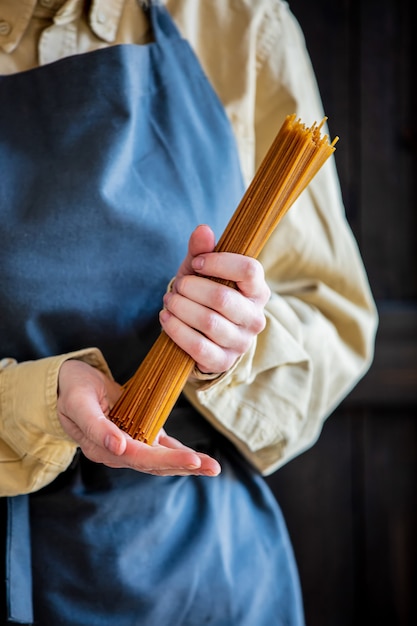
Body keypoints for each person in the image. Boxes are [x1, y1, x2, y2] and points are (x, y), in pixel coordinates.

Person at [0, 0, 377, 624]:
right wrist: (38, 402)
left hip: (206, 574)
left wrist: (232, 348)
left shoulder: (240, 22)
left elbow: (334, 320)